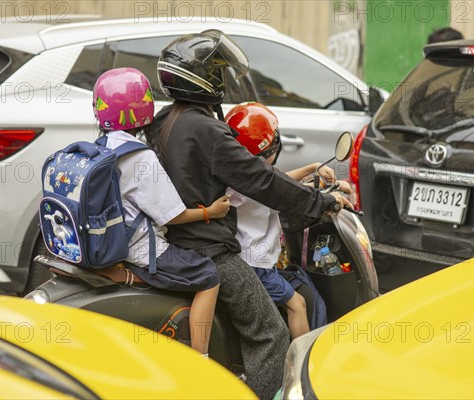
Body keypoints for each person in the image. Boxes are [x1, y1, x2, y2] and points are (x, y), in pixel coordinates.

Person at [145, 30, 353, 399]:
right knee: (270, 332)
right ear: (205, 80)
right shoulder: (207, 129)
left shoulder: (167, 119)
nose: (223, 82)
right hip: (209, 247)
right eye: (219, 75)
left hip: (174, 239)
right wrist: (321, 202)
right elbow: (260, 180)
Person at [91, 67, 230, 357]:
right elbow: (172, 216)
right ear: (145, 107)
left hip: (108, 240)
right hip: (141, 250)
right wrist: (211, 213)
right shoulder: (140, 156)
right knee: (209, 276)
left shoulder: (100, 147)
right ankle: (201, 358)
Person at [224, 102, 351, 340]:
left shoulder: (240, 176)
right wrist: (326, 198)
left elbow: (277, 182)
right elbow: (284, 192)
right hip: (256, 265)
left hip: (245, 260)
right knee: (298, 305)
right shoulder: (258, 186)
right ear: (269, 150)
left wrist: (312, 170)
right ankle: (299, 361)